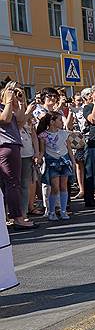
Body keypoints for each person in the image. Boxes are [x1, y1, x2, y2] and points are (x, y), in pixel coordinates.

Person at [0, 85, 34, 228]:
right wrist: (8, 101)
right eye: (12, 92)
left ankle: (10, 217)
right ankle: (17, 218)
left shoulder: (9, 107)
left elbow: (20, 121)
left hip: (12, 146)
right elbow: (5, 119)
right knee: (13, 184)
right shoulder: (4, 107)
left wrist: (20, 102)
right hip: (6, 147)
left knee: (10, 185)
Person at [36, 112, 74, 220]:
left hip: (64, 161)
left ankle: (63, 210)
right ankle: (51, 211)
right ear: (52, 122)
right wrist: (39, 158)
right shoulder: (43, 135)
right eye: (59, 120)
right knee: (55, 187)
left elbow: (69, 149)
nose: (62, 122)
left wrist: (72, 161)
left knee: (64, 186)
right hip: (52, 162)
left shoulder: (64, 134)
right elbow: (43, 151)